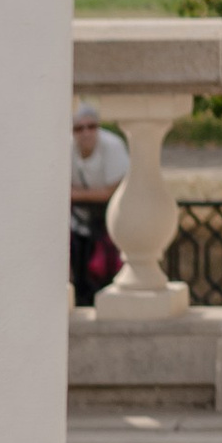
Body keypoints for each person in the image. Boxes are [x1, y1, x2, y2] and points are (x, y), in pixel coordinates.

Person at [69, 103, 127, 309]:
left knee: (108, 271)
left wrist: (76, 194)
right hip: (78, 223)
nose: (86, 133)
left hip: (110, 224)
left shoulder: (113, 146)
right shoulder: (65, 148)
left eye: (92, 126)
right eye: (79, 128)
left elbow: (111, 191)